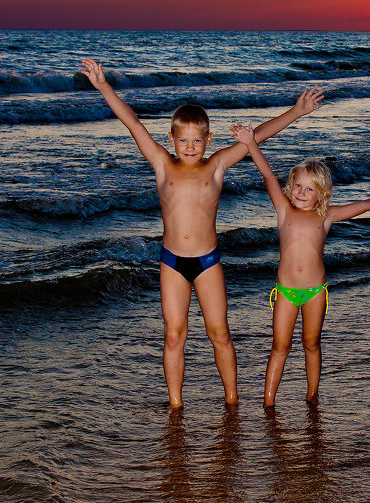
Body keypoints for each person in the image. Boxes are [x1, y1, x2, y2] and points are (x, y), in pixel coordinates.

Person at [80, 57, 323, 408]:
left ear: (208, 139)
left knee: (219, 334)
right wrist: (104, 86)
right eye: (183, 140)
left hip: (208, 262)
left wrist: (296, 112)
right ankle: (176, 405)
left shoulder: (218, 164)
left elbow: (259, 137)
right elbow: (132, 123)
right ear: (172, 139)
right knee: (174, 335)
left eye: (197, 140)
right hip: (171, 262)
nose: (190, 147)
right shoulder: (163, 164)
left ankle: (232, 400)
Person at [229, 123, 370, 406]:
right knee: (280, 347)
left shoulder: (326, 216)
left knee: (311, 344)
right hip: (286, 292)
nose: (301, 192)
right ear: (290, 186)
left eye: (310, 189)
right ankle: (268, 403)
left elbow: (365, 205)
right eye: (298, 186)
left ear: (322, 194)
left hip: (316, 291)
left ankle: (312, 397)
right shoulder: (283, 209)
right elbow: (267, 174)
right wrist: (250, 142)